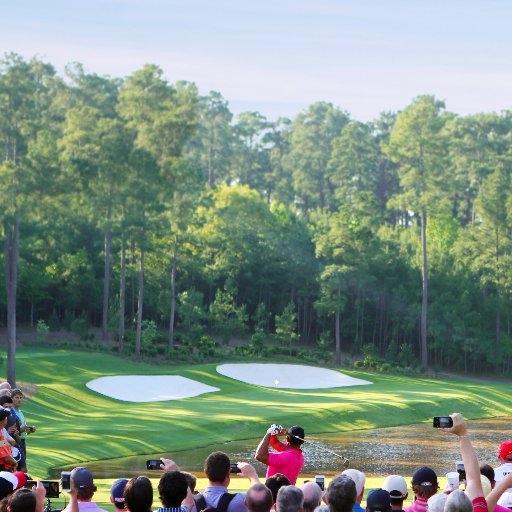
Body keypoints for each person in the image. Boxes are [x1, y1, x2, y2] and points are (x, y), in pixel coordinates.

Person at [195, 451, 260, 512]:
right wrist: (252, 475)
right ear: (228, 473)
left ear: (206, 472)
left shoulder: (191, 502)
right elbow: (261, 498)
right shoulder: (241, 500)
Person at [10, 389, 35, 474]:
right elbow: (11, 431)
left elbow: (24, 432)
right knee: (22, 468)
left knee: (21, 467)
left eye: (21, 397)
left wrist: (30, 431)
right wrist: (21, 429)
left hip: (22, 441)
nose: (19, 399)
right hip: (15, 442)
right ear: (11, 398)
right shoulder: (10, 412)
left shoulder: (20, 412)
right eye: (16, 397)